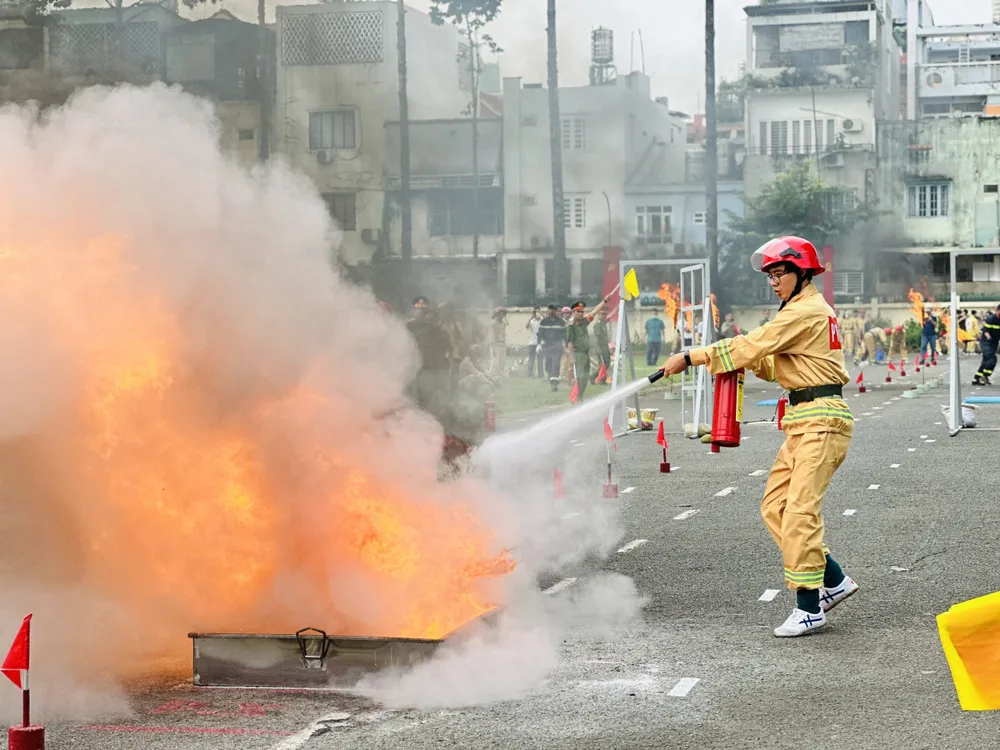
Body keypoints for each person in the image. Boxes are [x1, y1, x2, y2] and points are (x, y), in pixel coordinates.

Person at [659, 235, 858, 638]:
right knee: (776, 508)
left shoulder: (805, 311)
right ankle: (834, 581)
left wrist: (693, 356)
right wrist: (737, 363)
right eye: (769, 274)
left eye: (779, 272)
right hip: (803, 420)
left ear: (802, 273)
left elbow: (754, 344)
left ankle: (809, 608)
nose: (773, 280)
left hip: (821, 420)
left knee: (800, 513)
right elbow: (771, 361)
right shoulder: (800, 311)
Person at [566, 296, 612, 401]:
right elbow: (570, 343)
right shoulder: (571, 326)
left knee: (585, 377)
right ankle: (576, 397)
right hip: (578, 354)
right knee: (580, 377)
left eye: (582, 312)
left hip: (586, 354)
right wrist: (572, 358)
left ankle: (579, 396)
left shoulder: (584, 322)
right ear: (574, 312)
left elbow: (595, 311)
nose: (581, 314)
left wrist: (604, 301)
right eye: (578, 312)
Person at [538, 304, 567, 391]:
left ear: (556, 311)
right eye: (549, 309)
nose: (551, 311)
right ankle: (550, 378)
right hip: (546, 346)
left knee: (556, 364)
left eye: (553, 309)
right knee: (548, 364)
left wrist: (566, 345)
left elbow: (564, 335)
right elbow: (539, 334)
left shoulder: (561, 322)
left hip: (557, 346)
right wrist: (538, 345)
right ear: (548, 310)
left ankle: (554, 384)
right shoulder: (543, 322)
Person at [973, 303, 1000, 386]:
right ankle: (985, 375)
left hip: (994, 342)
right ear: (997, 311)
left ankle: (976, 378)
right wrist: (988, 336)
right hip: (986, 342)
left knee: (986, 361)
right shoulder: (991, 319)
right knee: (992, 359)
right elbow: (986, 330)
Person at [593, 309, 613, 384]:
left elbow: (611, 315)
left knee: (607, 363)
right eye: (602, 314)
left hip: (605, 346)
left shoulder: (603, 323)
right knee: (603, 364)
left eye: (605, 314)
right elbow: (596, 338)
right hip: (601, 346)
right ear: (598, 315)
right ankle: (594, 377)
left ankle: (602, 378)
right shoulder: (597, 325)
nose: (604, 315)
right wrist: (598, 348)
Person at [489, 307, 508, 377]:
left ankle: (500, 376)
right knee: (494, 362)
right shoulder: (493, 323)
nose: (502, 315)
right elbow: (491, 335)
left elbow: (504, 334)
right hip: (495, 344)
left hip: (502, 344)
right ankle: (491, 376)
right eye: (500, 313)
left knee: (502, 362)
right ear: (496, 314)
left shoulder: (503, 324)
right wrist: (493, 347)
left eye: (503, 313)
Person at [524, 306, 543, 378]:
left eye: (538, 312)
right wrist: (531, 317)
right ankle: (530, 374)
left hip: (540, 343)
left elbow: (547, 320)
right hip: (532, 342)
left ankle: (540, 375)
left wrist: (541, 313)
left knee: (540, 360)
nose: (537, 313)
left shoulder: (542, 320)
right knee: (531, 359)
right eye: (536, 312)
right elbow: (526, 326)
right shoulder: (532, 321)